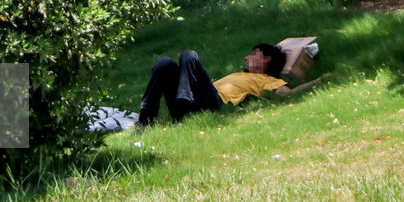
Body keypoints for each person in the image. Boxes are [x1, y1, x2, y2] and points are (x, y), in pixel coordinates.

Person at [136, 43, 325, 127]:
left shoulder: (268, 80)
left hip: (212, 103)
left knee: (189, 55)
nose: (246, 57)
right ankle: (145, 120)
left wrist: (318, 81)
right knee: (165, 63)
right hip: (198, 98)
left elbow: (287, 94)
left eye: (253, 54)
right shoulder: (239, 74)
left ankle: (184, 111)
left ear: (265, 59)